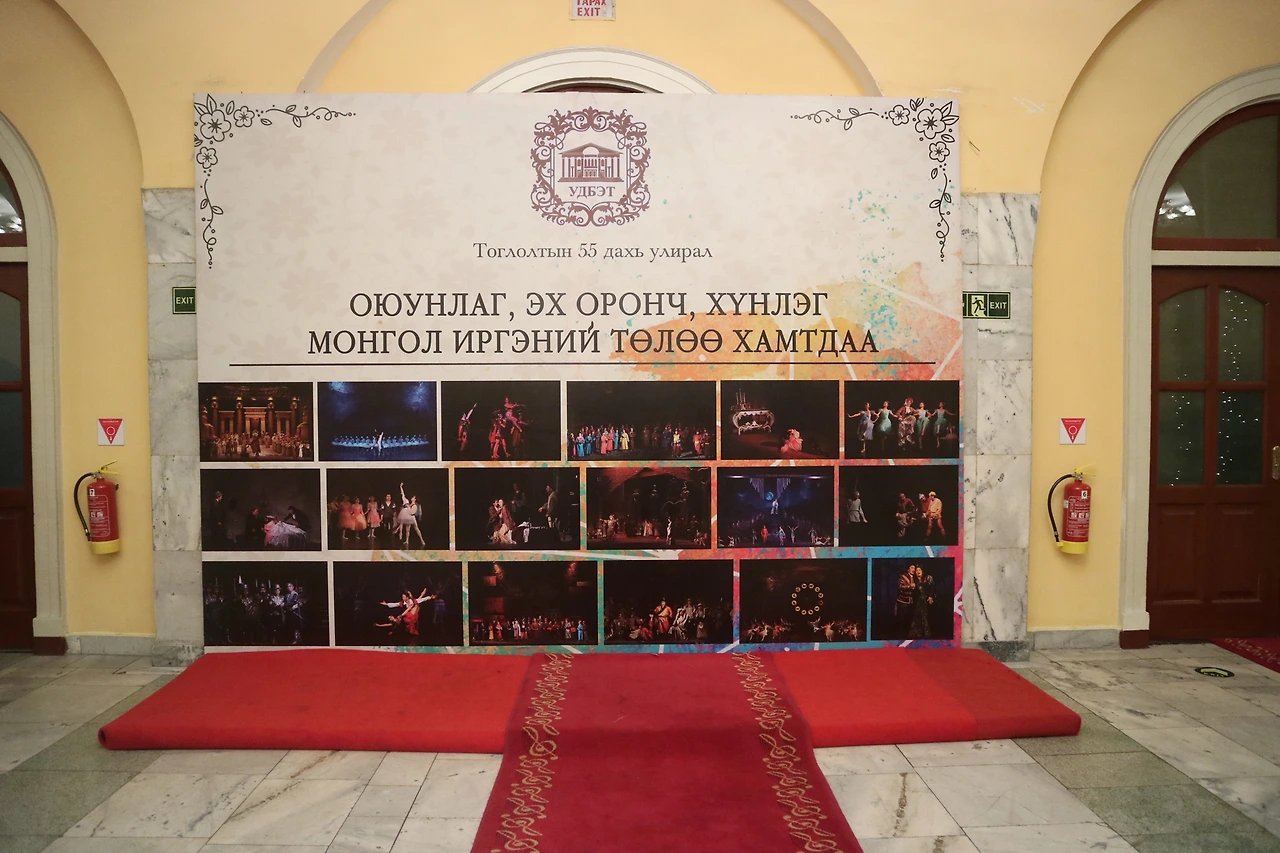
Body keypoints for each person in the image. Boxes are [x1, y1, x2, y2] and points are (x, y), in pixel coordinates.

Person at [398, 483, 426, 547]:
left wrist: (408, 508)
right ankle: (407, 541)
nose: (412, 498)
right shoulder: (410, 504)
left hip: (412, 518)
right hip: (408, 517)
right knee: (407, 529)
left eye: (413, 497)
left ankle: (422, 540)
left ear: (415, 499)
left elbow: (412, 513)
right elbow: (403, 494)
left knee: (416, 529)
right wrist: (401, 487)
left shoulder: (415, 505)